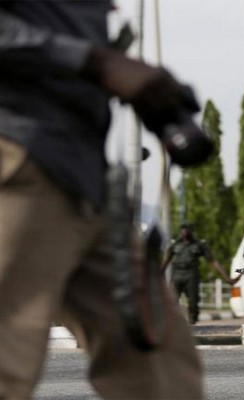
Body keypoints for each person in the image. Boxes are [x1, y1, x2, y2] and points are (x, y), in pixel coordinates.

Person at [0, 3, 205, 399]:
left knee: (154, 355)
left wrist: (141, 89)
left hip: (82, 176)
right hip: (18, 158)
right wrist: (97, 62)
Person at [161, 223, 239, 325]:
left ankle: (193, 326)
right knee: (171, 301)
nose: (184, 231)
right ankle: (171, 327)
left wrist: (227, 278)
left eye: (187, 229)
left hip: (191, 275)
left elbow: (213, 262)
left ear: (191, 230)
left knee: (193, 303)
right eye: (182, 229)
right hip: (177, 275)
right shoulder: (174, 245)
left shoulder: (199, 245)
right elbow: (165, 261)